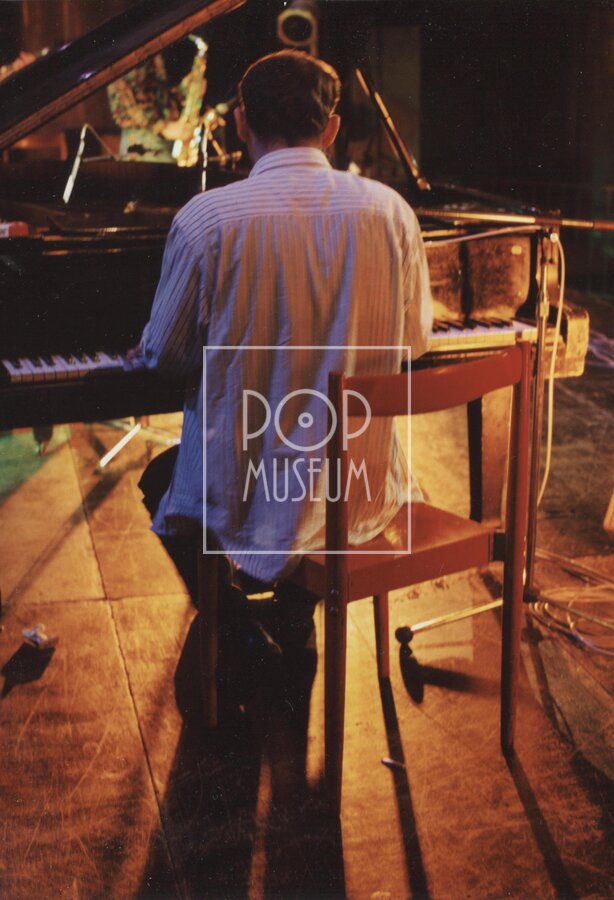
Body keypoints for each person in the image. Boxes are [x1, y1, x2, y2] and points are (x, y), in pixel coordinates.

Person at [137, 50, 432, 641]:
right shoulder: (392, 212)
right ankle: (294, 613)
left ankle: (237, 627)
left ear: (241, 122)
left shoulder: (205, 220)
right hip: (357, 487)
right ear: (332, 128)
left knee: (159, 480)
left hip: (241, 488)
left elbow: (163, 357)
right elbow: (415, 343)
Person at [107, 53, 199, 162]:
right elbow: (125, 102)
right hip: (142, 138)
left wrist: (184, 90)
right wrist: (163, 127)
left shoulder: (151, 54)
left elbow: (156, 94)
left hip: (159, 135)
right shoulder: (128, 53)